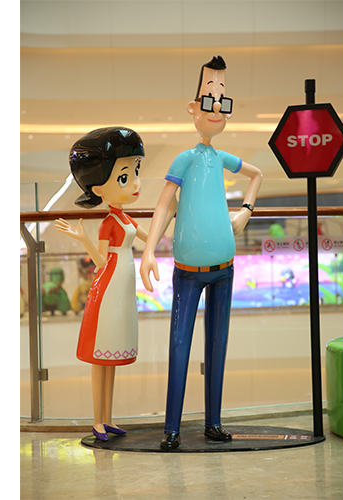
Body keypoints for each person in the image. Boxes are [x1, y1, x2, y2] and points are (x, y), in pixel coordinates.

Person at [140, 56, 263, 451]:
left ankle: (213, 423)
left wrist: (246, 210)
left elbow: (257, 175)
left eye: (223, 102)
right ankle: (172, 428)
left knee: (217, 346)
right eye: (210, 101)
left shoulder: (222, 159)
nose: (216, 109)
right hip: (189, 269)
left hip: (225, 267)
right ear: (194, 108)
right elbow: (164, 204)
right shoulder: (186, 158)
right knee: (180, 345)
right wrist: (148, 249)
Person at [55, 127, 175, 442]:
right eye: (124, 177)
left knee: (110, 359)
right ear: (98, 188)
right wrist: (83, 239)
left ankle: (107, 419)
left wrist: (171, 211)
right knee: (101, 357)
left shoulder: (125, 219)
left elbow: (152, 239)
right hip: (108, 288)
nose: (135, 182)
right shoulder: (109, 224)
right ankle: (98, 421)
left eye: (135, 172)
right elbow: (100, 262)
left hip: (122, 286)